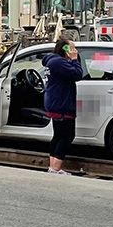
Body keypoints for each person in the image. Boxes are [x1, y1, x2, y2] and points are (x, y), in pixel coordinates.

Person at [42, 38, 83, 175]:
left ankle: (53, 167)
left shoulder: (53, 61)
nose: (74, 50)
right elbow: (78, 74)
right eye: (72, 48)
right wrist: (75, 59)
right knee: (67, 136)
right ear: (65, 49)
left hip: (56, 103)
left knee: (59, 135)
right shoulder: (58, 62)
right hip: (62, 105)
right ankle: (55, 168)